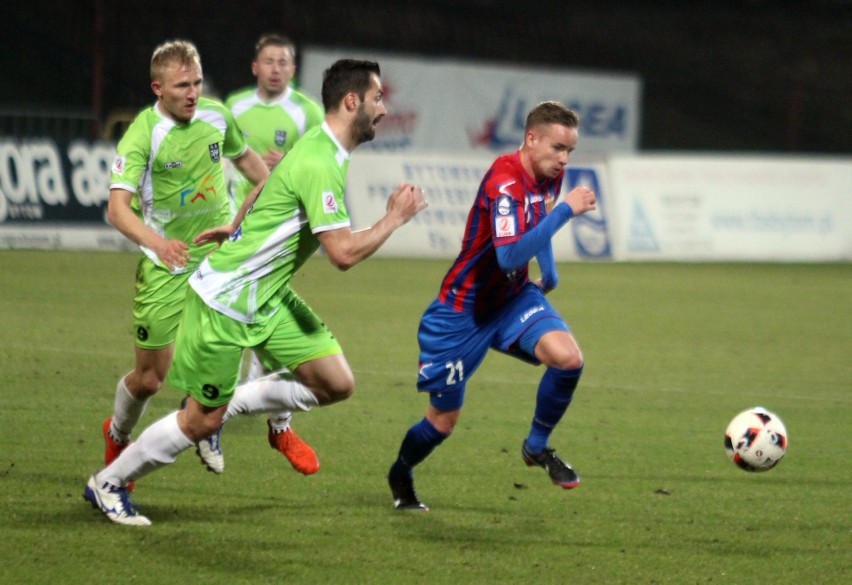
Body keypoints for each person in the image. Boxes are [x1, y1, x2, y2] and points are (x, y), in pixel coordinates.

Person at [84, 59, 429, 526]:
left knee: (335, 383)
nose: (383, 109)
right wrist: (394, 219)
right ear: (353, 102)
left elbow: (269, 182)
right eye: (377, 99)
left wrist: (237, 224)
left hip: (267, 297)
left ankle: (236, 402)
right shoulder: (320, 161)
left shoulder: (317, 145)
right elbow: (343, 254)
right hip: (227, 300)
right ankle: (108, 484)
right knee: (200, 421)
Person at [387, 101, 598, 511]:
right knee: (442, 421)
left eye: (569, 151)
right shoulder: (504, 182)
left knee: (569, 359)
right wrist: (568, 211)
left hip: (511, 299)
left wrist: (549, 274)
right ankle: (401, 472)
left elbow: (540, 222)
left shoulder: (552, 176)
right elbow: (509, 256)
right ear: (531, 138)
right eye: (558, 148)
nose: (564, 159)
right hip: (461, 313)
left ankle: (536, 446)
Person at [101, 39, 268, 487]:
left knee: (227, 341)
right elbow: (117, 209)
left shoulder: (216, 116)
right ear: (158, 88)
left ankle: (206, 423)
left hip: (218, 256)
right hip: (166, 265)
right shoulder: (142, 134)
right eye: (181, 86)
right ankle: (118, 434)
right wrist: (158, 244)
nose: (193, 92)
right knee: (150, 379)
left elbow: (248, 161)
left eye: (196, 82)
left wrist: (278, 191)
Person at [214, 33, 326, 475]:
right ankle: (260, 412)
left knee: (263, 313)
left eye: (284, 61)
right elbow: (218, 154)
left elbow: (321, 161)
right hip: (236, 223)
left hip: (280, 231)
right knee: (236, 313)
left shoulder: (308, 112)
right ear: (254, 66)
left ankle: (267, 415)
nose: (276, 67)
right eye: (269, 60)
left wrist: (291, 161)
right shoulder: (234, 108)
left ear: (293, 70)